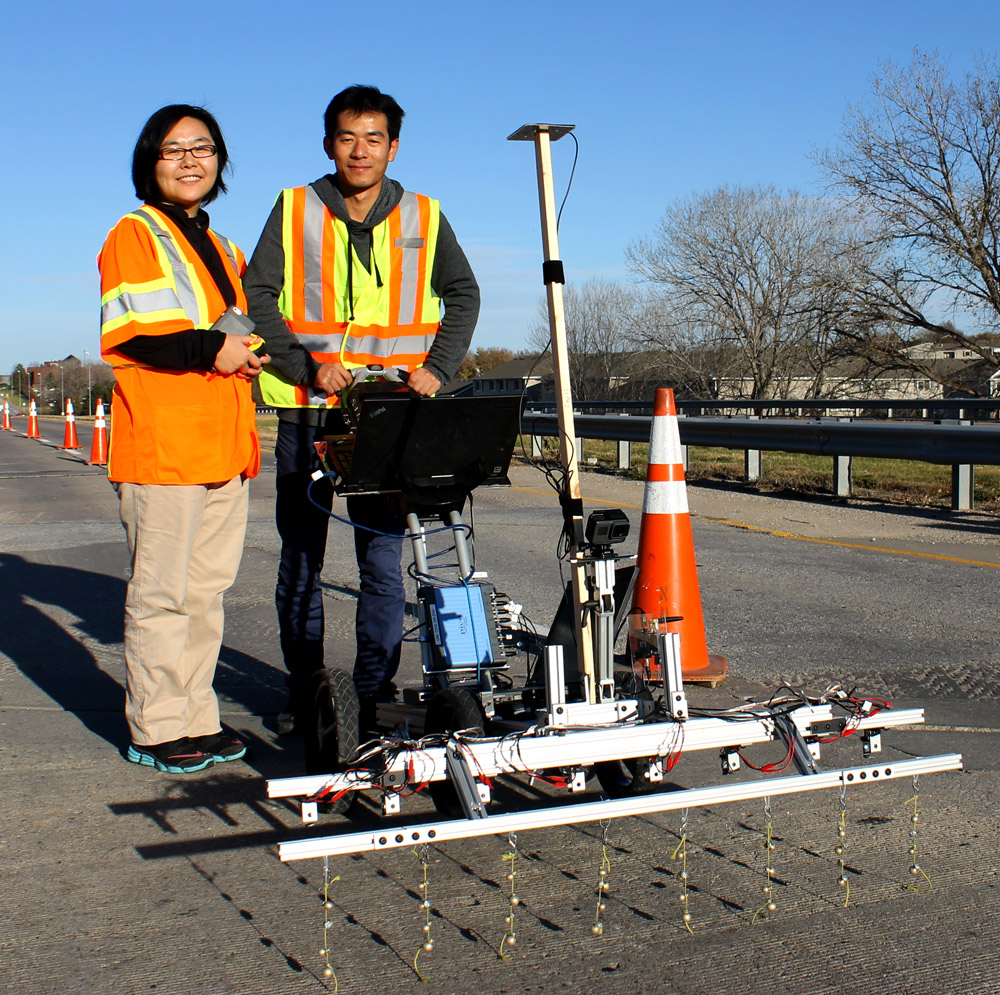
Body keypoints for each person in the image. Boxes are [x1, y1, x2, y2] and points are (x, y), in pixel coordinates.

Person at [244, 84, 479, 731]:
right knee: (303, 556)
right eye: (348, 137)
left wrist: (436, 369)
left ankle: (371, 693)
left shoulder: (425, 216)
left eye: (373, 138)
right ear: (329, 144)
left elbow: (463, 295)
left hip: (385, 413)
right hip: (307, 409)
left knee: (380, 556)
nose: (360, 150)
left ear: (393, 147)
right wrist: (305, 363)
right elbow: (257, 295)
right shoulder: (293, 210)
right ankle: (308, 693)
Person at [99, 104, 267, 773]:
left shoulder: (226, 248)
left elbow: (245, 327)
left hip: (223, 443)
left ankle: (195, 712)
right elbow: (131, 333)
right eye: (175, 150)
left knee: (205, 593)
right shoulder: (135, 233)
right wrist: (214, 349)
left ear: (220, 160)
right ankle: (156, 724)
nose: (192, 160)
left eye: (203, 148)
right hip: (165, 444)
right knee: (162, 592)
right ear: (150, 162)